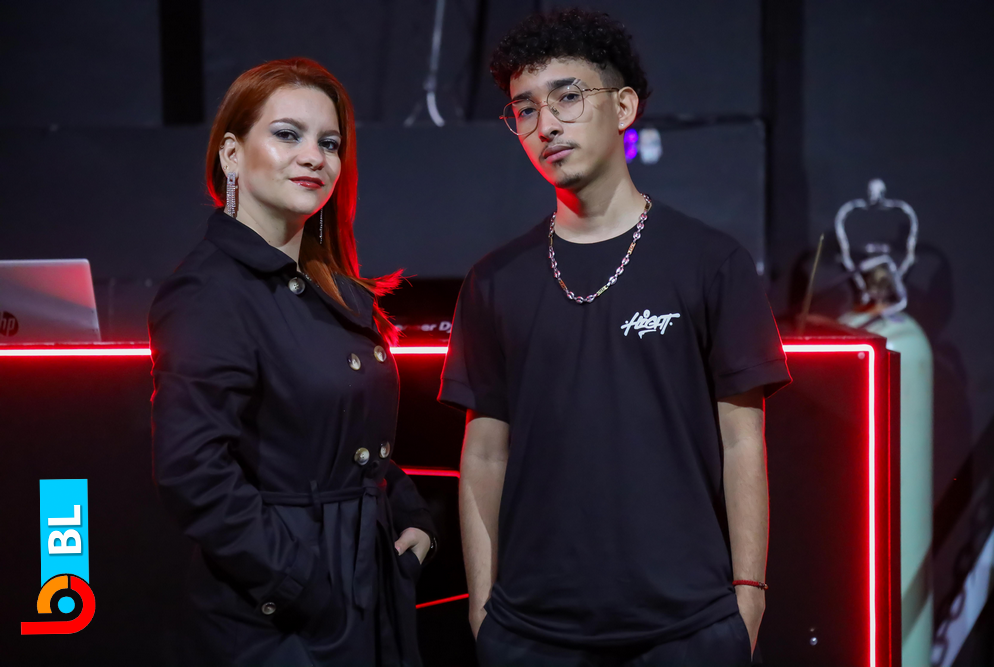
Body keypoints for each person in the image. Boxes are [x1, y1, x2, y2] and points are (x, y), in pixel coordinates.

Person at [438, 9, 791, 666]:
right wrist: (482, 609)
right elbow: (484, 455)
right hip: (531, 633)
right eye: (525, 109)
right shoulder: (495, 280)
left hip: (687, 629)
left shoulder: (710, 262)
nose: (546, 125)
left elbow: (742, 440)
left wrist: (748, 597)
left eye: (567, 98)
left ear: (623, 106)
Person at [149, 58, 435, 667]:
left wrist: (410, 516)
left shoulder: (334, 286)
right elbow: (192, 471)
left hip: (367, 587)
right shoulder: (210, 291)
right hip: (279, 620)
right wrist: (300, 586)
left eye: (329, 143)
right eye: (288, 134)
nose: (314, 157)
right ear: (231, 154)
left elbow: (350, 439)